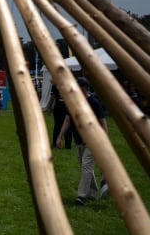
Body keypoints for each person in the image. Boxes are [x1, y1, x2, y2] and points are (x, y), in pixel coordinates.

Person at [56, 77, 109, 205]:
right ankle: (92, 192)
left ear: (84, 88)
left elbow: (102, 121)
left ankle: (81, 196)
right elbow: (68, 120)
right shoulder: (73, 103)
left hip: (93, 140)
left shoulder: (94, 103)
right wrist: (60, 136)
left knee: (86, 166)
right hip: (78, 141)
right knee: (85, 168)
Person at [47, 84, 72, 149]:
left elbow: (52, 97)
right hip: (67, 106)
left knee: (57, 125)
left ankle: (55, 143)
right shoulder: (68, 83)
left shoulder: (55, 84)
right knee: (68, 126)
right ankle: (68, 145)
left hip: (58, 107)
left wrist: (49, 107)